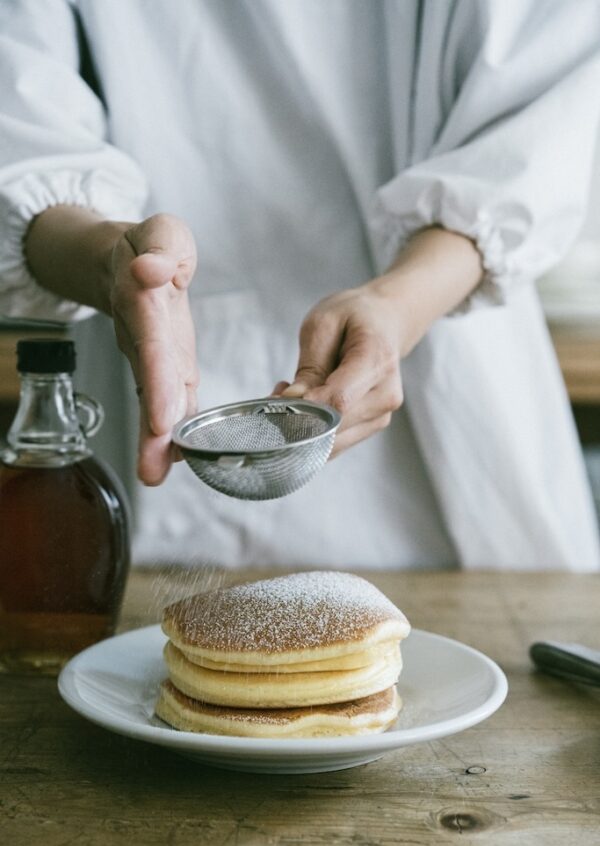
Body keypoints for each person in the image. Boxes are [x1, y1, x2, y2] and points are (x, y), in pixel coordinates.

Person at [1, 0, 599, 570]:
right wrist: (114, 263)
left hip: (453, 373)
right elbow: (18, 125)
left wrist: (397, 303)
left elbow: (540, 127)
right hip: (148, 381)